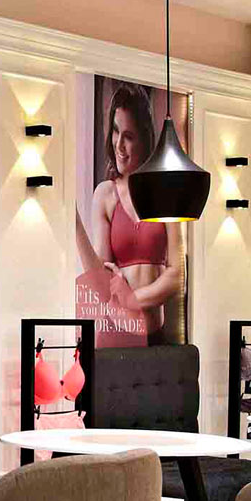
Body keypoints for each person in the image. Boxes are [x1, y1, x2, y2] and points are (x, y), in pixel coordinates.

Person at [74, 81, 182, 340]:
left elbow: (177, 276)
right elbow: (102, 282)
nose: (119, 145)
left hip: (155, 335)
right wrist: (74, 223)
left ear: (144, 139)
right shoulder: (105, 194)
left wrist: (132, 299)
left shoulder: (164, 192)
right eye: (115, 131)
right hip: (115, 331)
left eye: (129, 136)